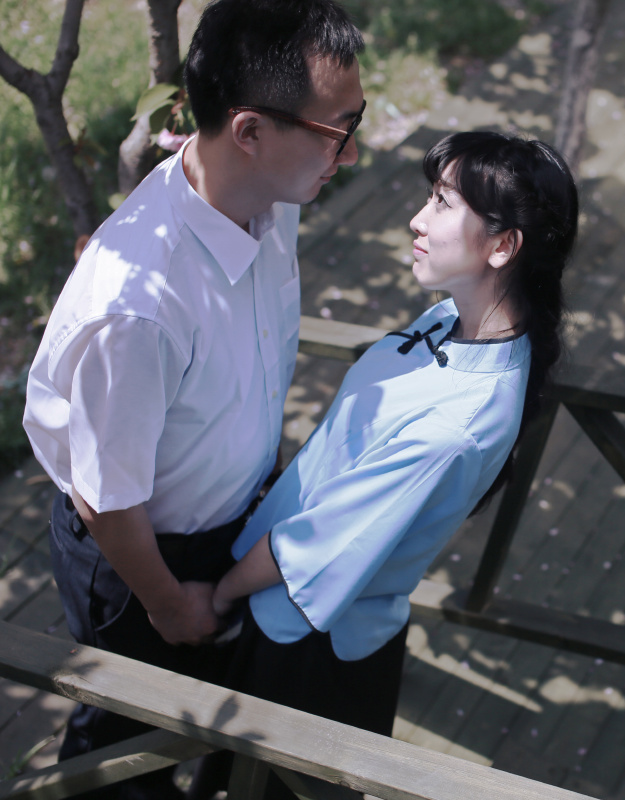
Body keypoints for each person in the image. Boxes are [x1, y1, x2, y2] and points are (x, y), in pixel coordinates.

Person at [21, 1, 365, 797]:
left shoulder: (269, 200)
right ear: (250, 131)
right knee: (123, 748)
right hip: (145, 559)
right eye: (339, 130)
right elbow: (107, 498)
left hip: (233, 520)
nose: (351, 155)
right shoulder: (137, 308)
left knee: (212, 716)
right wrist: (169, 603)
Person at [203, 130, 578, 798]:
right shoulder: (463, 319)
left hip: (303, 644)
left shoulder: (455, 427)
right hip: (300, 609)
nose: (416, 219)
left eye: (443, 203)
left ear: (503, 246)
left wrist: (217, 597)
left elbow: (308, 553)